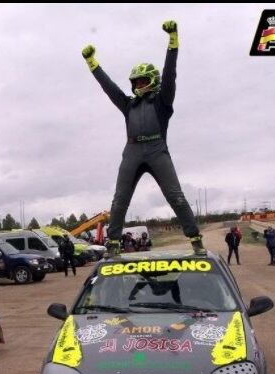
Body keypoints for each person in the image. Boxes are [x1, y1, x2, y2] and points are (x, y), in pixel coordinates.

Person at [82, 20, 204, 257]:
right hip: (132, 151)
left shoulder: (162, 101)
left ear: (152, 80)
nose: (138, 85)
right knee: (119, 201)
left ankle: (195, 238)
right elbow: (110, 88)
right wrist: (92, 64)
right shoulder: (129, 105)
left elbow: (170, 74)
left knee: (176, 197)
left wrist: (173, 42)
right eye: (135, 82)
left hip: (157, 149)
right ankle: (114, 243)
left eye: (142, 81)